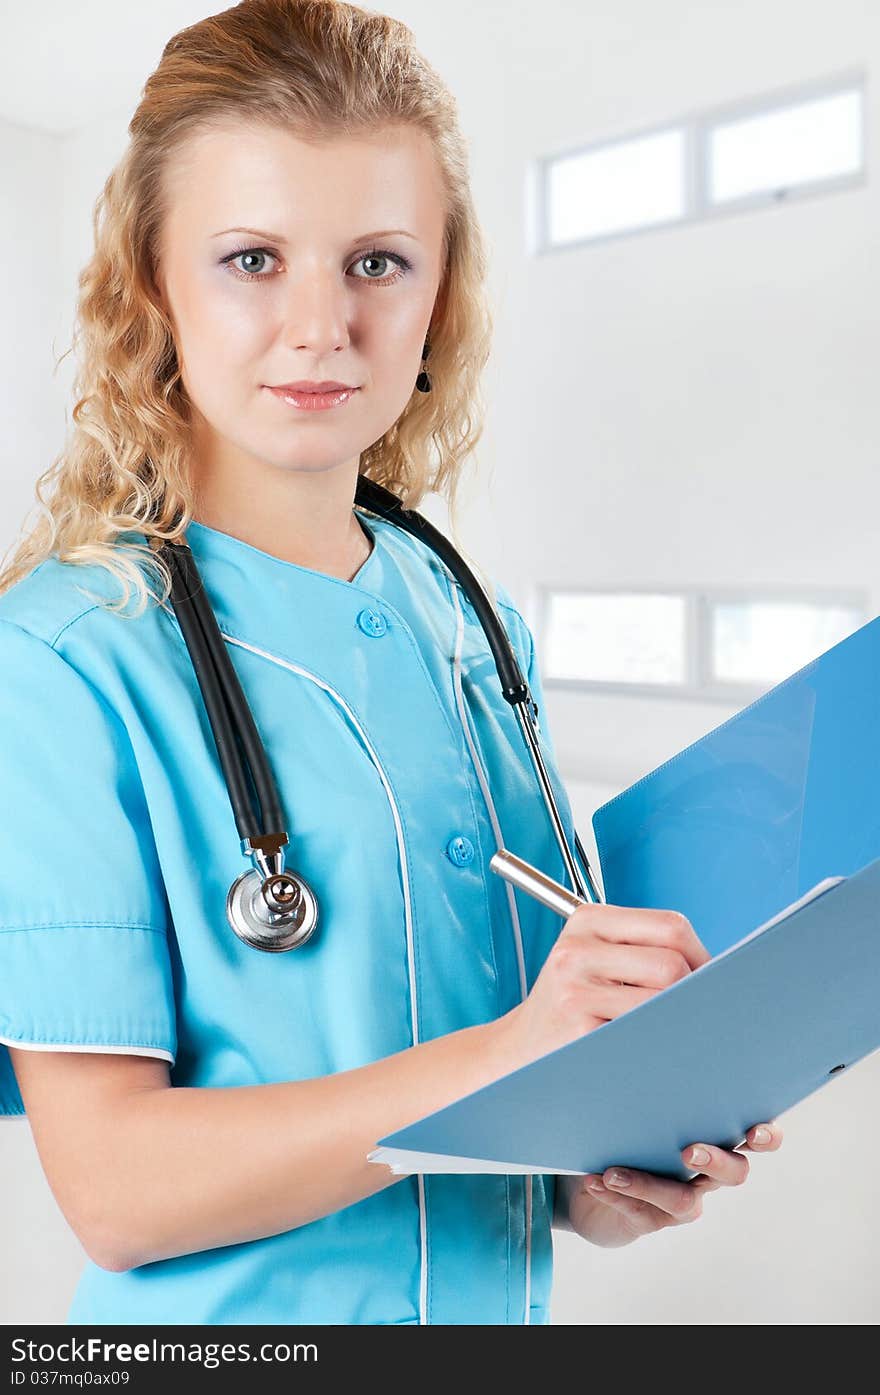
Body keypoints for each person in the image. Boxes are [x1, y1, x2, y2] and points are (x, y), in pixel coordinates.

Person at [0, 0, 781, 1327]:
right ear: (153, 286)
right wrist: (504, 1060)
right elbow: (116, 1192)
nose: (321, 326)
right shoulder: (65, 660)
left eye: (377, 262)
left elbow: (517, 1065)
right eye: (251, 258)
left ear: (441, 291)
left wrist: (596, 1168)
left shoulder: (465, 619)